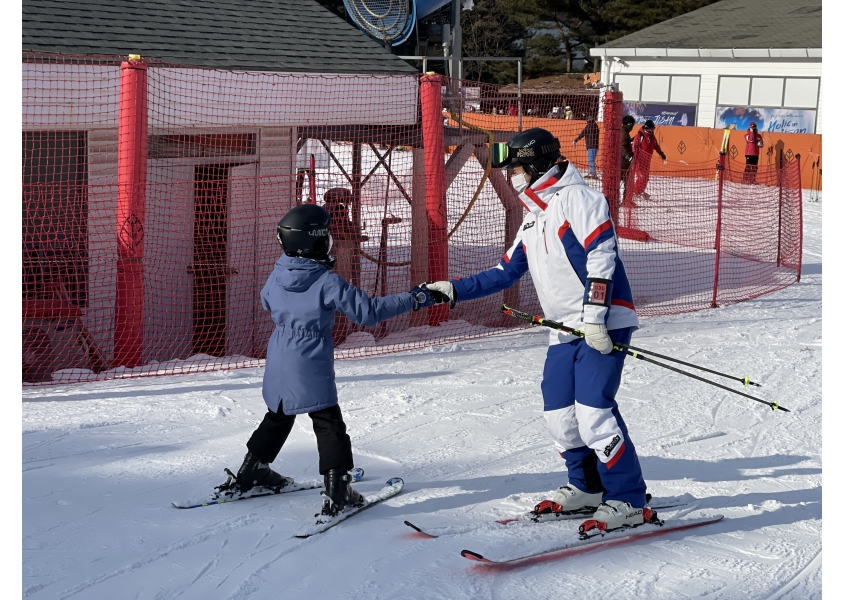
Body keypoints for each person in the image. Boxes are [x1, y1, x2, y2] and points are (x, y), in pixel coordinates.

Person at [421, 127, 651, 534]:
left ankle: (629, 499)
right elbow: (505, 271)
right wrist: (455, 289)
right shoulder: (535, 216)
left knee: (594, 413)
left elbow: (602, 257)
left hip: (602, 322)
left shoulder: (580, 199)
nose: (515, 175)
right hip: (563, 328)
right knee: (560, 417)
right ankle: (587, 488)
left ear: (539, 164)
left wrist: (597, 317)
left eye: (519, 167)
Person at [212, 204, 435, 518]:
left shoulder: (279, 271)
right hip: (309, 355)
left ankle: (252, 471)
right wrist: (414, 298)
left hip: (278, 353)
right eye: (324, 238)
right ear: (312, 242)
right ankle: (337, 490)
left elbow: (266, 300)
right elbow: (367, 312)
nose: (328, 243)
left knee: (279, 413)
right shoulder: (325, 281)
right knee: (328, 421)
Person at [628, 119, 666, 201]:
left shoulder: (652, 136)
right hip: (639, 160)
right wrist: (634, 158)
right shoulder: (640, 135)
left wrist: (660, 153)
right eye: (651, 129)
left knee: (646, 177)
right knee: (641, 177)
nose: (652, 131)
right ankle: (635, 192)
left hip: (647, 160)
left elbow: (655, 145)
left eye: (653, 129)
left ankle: (640, 191)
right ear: (646, 128)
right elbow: (635, 147)